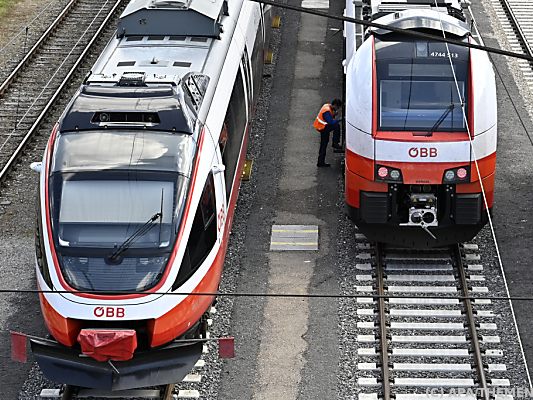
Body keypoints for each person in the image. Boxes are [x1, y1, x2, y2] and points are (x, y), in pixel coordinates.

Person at [313, 98, 343, 167]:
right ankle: (335, 143)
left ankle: (320, 162)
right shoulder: (326, 111)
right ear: (335, 105)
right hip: (323, 128)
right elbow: (331, 122)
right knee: (336, 126)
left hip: (323, 127)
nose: (337, 109)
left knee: (324, 144)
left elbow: (330, 117)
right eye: (337, 107)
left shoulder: (327, 106)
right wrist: (339, 119)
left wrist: (334, 114)